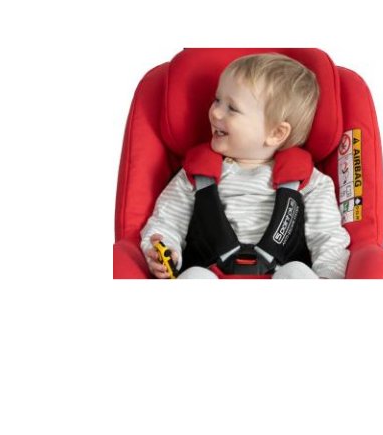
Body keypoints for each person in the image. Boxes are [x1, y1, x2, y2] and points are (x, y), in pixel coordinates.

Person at [140, 53, 350, 279]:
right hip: (211, 275)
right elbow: (166, 222)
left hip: (281, 276)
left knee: (298, 272)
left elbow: (328, 238)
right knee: (193, 277)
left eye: (232, 108)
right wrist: (164, 250)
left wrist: (328, 276)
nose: (215, 112)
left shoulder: (310, 182)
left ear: (276, 133)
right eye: (217, 100)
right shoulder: (195, 175)